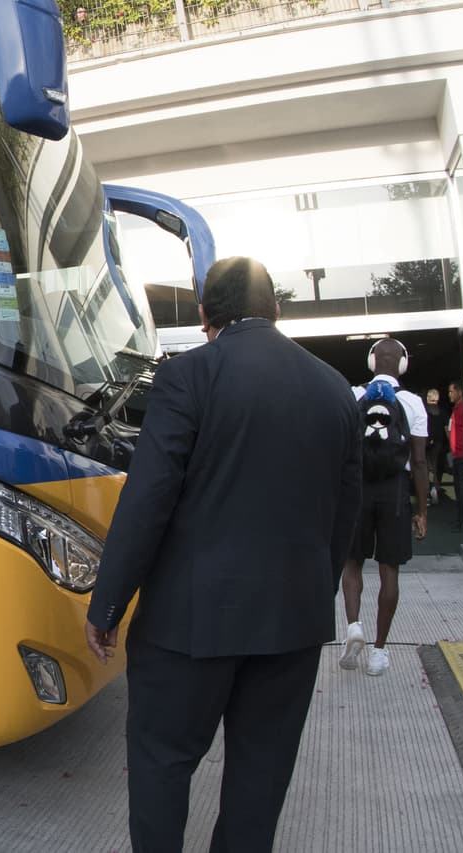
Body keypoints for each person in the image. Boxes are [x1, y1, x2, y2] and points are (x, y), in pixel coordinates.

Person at [84, 257, 362, 853]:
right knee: (261, 780)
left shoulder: (189, 376)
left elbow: (149, 499)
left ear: (205, 314)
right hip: (293, 623)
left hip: (189, 625)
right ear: (277, 311)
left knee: (163, 762)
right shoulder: (334, 389)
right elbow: (343, 516)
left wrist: (107, 604)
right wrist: (315, 589)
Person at [339, 339, 429, 677]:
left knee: (352, 563)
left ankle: (353, 627)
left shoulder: (354, 396)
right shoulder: (413, 403)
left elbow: (343, 451)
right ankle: (378, 652)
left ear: (372, 360)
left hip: (359, 489)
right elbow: (419, 462)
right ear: (403, 364)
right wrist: (422, 510)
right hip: (394, 492)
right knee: (389, 570)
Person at [447, 380, 463, 531]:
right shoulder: (457, 409)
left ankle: (462, 521)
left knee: (461, 490)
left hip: (462, 455)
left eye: (451, 391)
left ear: (459, 392)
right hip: (457, 454)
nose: (449, 395)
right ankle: (460, 519)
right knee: (458, 488)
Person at [424, 388, 446, 504]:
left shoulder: (424, 410)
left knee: (426, 467)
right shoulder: (441, 412)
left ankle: (427, 493)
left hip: (426, 441)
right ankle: (435, 488)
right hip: (438, 441)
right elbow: (446, 428)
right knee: (435, 465)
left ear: (428, 398)